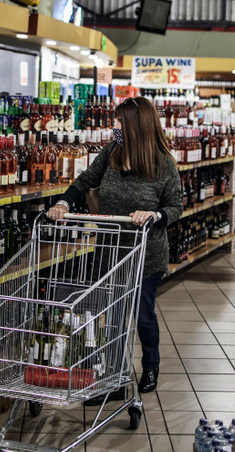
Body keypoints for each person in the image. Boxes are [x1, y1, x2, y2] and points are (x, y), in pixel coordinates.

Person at [47, 96, 183, 397]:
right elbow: (84, 182)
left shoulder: (163, 165)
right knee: (114, 314)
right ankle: (115, 377)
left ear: (136, 126)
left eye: (119, 121)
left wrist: (154, 214)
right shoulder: (111, 153)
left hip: (146, 254)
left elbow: (176, 207)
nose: (114, 126)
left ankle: (150, 365)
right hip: (110, 251)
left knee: (141, 312)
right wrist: (62, 202)